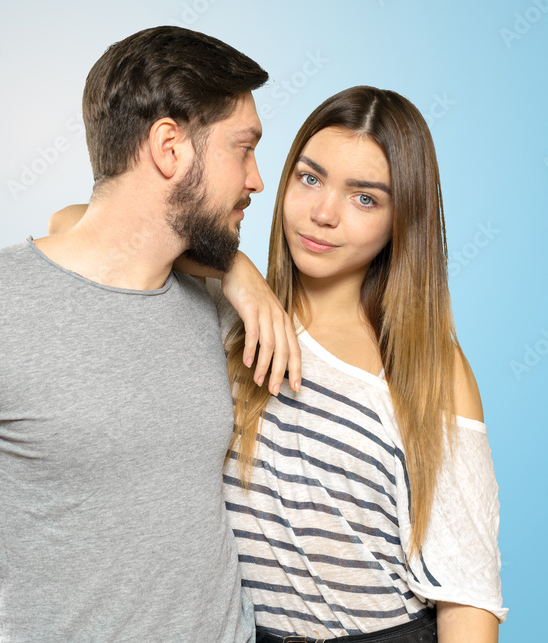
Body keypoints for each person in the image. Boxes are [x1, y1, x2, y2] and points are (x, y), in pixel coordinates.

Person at [0, 26, 299, 642]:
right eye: (242, 149)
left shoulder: (222, 310)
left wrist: (237, 270)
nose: (256, 180)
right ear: (169, 147)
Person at [55, 86, 508, 642]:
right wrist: (234, 269)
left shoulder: (428, 365)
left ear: (401, 219)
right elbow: (73, 225)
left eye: (364, 198)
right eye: (310, 178)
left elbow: (466, 591)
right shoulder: (228, 316)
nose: (323, 214)